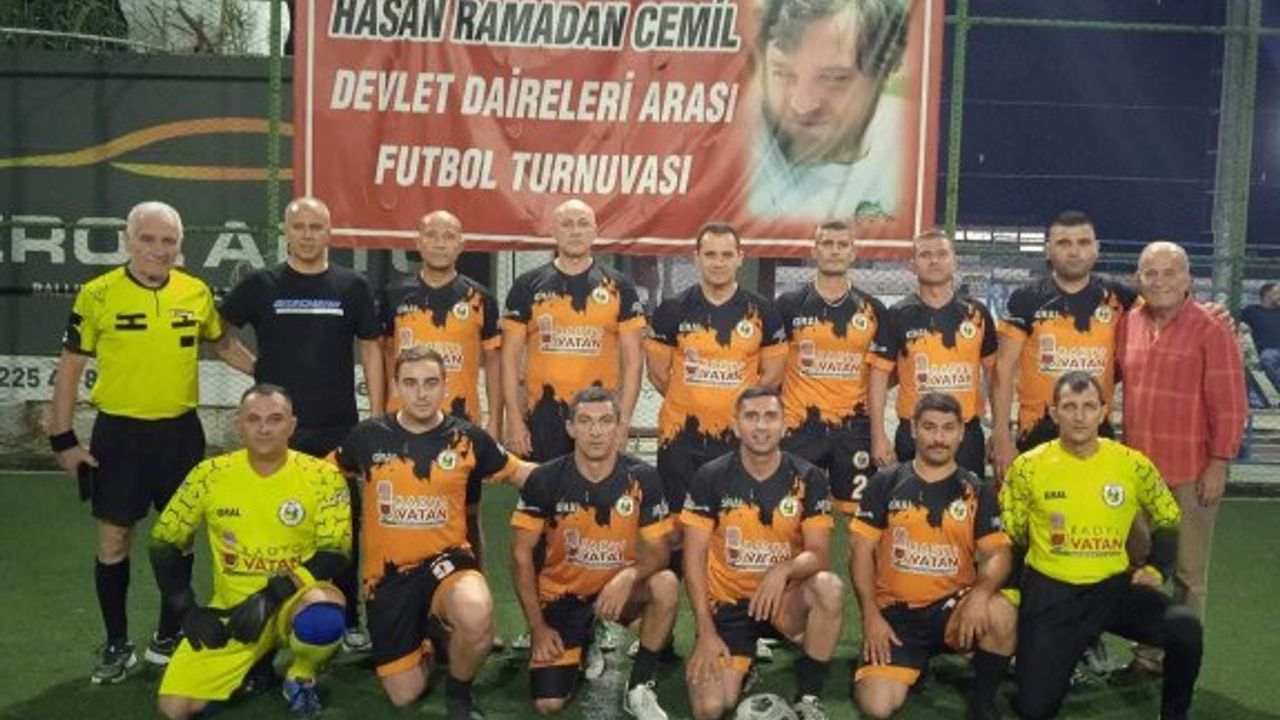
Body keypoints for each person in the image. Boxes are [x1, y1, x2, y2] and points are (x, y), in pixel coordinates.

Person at [48, 201, 252, 683]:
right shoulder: (98, 294)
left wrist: (272, 376)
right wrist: (63, 438)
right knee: (114, 537)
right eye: (148, 239)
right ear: (128, 240)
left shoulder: (195, 292)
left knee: (178, 537)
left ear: (180, 245)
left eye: (168, 241)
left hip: (180, 434)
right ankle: (116, 644)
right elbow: (70, 367)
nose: (159, 250)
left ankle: (168, 635)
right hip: (119, 436)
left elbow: (223, 344)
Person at [218, 195, 384, 650]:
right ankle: (268, 613)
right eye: (299, 227)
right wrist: (259, 370)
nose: (307, 235)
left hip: (337, 428)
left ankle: (348, 618)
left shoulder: (352, 286)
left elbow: (371, 349)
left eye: (316, 227)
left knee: (341, 526)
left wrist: (376, 415)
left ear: (329, 233)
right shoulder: (260, 284)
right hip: (275, 432)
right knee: (273, 523)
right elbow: (217, 334)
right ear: (286, 233)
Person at [335, 347, 533, 719]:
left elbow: (521, 472)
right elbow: (323, 473)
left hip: (447, 564)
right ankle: (432, 639)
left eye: (430, 383)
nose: (421, 393)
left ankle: (459, 694)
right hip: (387, 578)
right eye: (410, 383)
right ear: (396, 386)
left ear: (445, 385)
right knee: (404, 695)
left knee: (475, 611)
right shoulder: (367, 437)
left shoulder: (466, 438)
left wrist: (583, 473)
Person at [1001, 372, 1203, 719]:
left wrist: (1158, 567)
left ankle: (1174, 715)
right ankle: (1058, 655)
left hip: (1112, 591)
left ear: (1103, 411)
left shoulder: (1131, 463)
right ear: (1054, 413)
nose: (1079, 416)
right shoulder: (1027, 468)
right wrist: (1013, 592)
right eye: (1070, 407)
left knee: (1185, 628)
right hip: (1052, 594)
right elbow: (1015, 535)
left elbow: (1167, 516)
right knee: (1035, 709)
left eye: (1088, 406)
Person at [151, 384, 352, 719]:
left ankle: (300, 675)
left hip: (295, 600)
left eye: (275, 419)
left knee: (323, 615)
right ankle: (255, 668)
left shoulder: (323, 476)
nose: (264, 428)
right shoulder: (208, 475)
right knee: (175, 708)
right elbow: (163, 543)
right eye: (253, 419)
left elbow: (336, 552)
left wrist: (272, 595)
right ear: (239, 425)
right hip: (235, 612)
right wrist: (186, 610)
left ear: (291, 425)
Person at [510, 386, 679, 719]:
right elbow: (520, 556)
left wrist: (628, 575)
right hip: (562, 595)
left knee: (666, 584)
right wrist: (538, 628)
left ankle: (639, 687)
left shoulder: (642, 477)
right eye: (585, 421)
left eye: (605, 421)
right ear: (571, 428)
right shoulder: (544, 479)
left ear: (618, 427)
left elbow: (660, 551)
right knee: (548, 704)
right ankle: (583, 638)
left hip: (618, 591)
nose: (596, 431)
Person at [1115, 241, 1247, 665]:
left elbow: (1230, 403)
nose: (1160, 282)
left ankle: (1181, 661)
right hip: (1138, 475)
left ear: (1188, 278)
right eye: (1150, 273)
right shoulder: (1128, 323)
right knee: (1141, 564)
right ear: (1138, 279)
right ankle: (1147, 656)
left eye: (1170, 273)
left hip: (1192, 472)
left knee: (1189, 575)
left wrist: (1220, 463)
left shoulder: (1212, 328)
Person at [848, 392, 1014, 719]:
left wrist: (981, 594)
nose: (939, 438)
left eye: (948, 428)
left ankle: (982, 701)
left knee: (1002, 612)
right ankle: (911, 664)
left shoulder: (977, 489)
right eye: (929, 427)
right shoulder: (885, 482)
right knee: (877, 707)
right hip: (896, 616)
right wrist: (870, 616)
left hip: (953, 610)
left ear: (961, 432)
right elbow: (859, 552)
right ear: (913, 429)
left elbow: (998, 553)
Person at [682, 386, 843, 720]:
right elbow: (693, 558)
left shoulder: (808, 477)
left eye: (770, 416)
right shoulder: (710, 476)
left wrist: (782, 570)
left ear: (784, 425)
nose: (761, 426)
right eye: (751, 417)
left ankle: (808, 695)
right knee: (710, 708)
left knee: (829, 587)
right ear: (736, 425)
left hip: (784, 602)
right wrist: (706, 631)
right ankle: (744, 662)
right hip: (729, 607)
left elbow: (818, 554)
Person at [647, 221, 788, 573]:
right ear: (696, 258)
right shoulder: (673, 309)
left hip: (735, 441)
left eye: (727, 255)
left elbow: (772, 377)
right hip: (680, 439)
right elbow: (658, 374)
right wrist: (693, 401)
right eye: (710, 255)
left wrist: (738, 415)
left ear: (740, 258)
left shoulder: (763, 311)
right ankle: (669, 599)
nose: (718, 262)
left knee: (731, 525)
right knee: (676, 532)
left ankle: (726, 596)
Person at [989, 210, 1137, 483]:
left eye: (1083, 242)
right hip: (1037, 433)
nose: (1074, 251)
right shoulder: (1027, 298)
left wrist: (1206, 309)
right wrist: (1001, 435)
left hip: (1097, 433)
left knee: (1092, 509)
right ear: (1049, 250)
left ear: (1096, 248)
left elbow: (1167, 308)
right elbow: (1003, 368)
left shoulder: (1119, 298)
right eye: (1064, 243)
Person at [501, 199, 646, 462]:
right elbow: (509, 359)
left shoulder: (619, 286)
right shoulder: (527, 285)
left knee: (596, 487)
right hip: (542, 416)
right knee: (542, 487)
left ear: (595, 231)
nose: (575, 231)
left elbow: (634, 362)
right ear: (553, 232)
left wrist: (622, 422)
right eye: (566, 224)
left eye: (583, 224)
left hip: (598, 418)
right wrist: (513, 418)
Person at [750, 0, 910, 220]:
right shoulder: (733, 157)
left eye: (833, 79)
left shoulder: (912, 140)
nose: (802, 105)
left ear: (888, 69)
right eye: (783, 74)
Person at [777, 220, 888, 516]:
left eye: (842, 245)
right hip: (799, 428)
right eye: (827, 244)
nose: (835, 251)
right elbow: (772, 369)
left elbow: (883, 376)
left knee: (860, 520)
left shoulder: (873, 310)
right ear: (815, 250)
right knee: (790, 515)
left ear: (853, 252)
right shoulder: (789, 305)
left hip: (854, 430)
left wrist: (878, 433)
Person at [868, 229, 997, 477]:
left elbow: (994, 375)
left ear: (954, 261)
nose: (934, 260)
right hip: (914, 433)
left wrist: (999, 431)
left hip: (965, 433)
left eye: (942, 254)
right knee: (910, 501)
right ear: (913, 266)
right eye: (925, 255)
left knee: (968, 500)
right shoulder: (896, 315)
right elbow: (879, 376)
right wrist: (878, 435)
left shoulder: (977, 314)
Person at [381, 210, 502, 436]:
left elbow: (494, 362)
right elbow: (385, 355)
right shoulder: (394, 295)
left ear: (461, 245)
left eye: (449, 236)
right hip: (402, 423)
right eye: (431, 235)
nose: (440, 244)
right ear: (418, 243)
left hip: (461, 422)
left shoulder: (480, 298)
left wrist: (495, 420)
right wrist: (380, 414)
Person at [1241, 281, 1280, 400]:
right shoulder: (1251, 310)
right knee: (1268, 358)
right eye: (1278, 293)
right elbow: (1236, 320)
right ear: (1267, 294)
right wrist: (1241, 324)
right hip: (1268, 350)